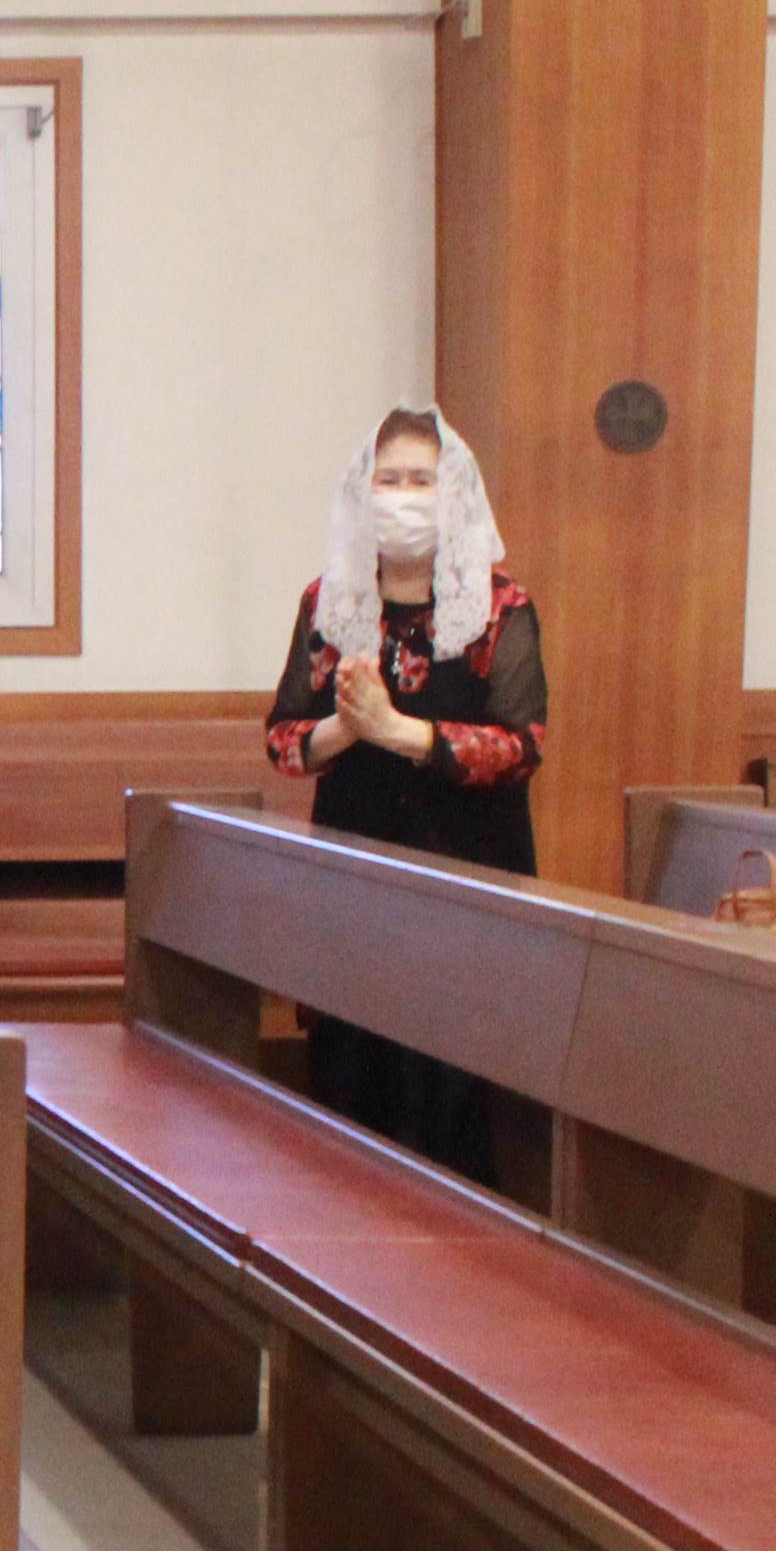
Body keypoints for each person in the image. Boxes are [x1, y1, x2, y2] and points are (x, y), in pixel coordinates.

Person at [261, 405, 547, 1182]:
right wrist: (346, 729)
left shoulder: (500, 608)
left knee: (450, 1085)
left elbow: (522, 747)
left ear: (455, 494)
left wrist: (400, 731)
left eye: (422, 480)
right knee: (353, 1071)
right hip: (355, 867)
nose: (404, 496)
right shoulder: (328, 600)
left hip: (466, 874)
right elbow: (284, 736)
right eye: (388, 480)